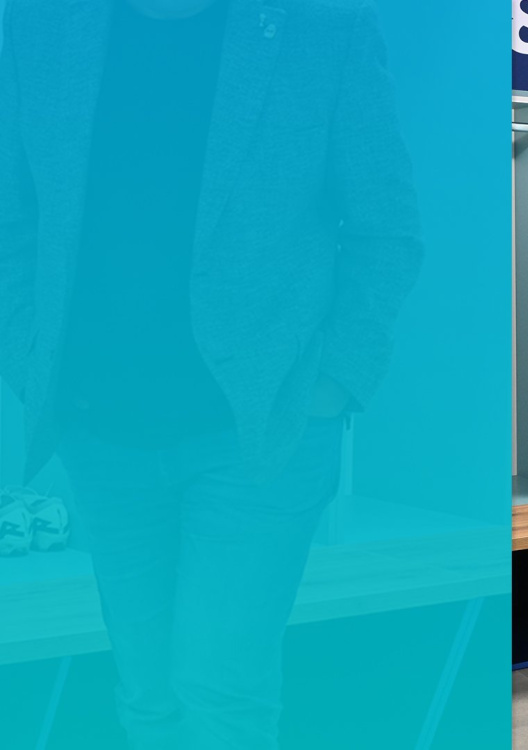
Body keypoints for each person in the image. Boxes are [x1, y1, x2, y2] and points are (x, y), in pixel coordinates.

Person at [0, 0, 421, 747]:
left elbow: (386, 228)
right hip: (100, 431)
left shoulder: (324, 27)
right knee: (146, 694)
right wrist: (30, 362)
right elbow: (19, 217)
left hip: (260, 434)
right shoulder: (43, 25)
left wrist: (334, 382)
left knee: (221, 693)